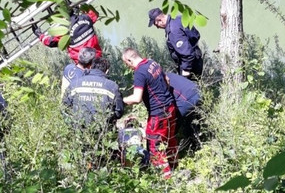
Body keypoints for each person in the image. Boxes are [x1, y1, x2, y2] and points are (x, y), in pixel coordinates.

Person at [122, 48, 178, 179]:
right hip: (171, 107)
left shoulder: (139, 72)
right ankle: (175, 168)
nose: (127, 66)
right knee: (170, 140)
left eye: (126, 63)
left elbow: (137, 98)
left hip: (158, 114)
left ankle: (165, 180)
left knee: (155, 147)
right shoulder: (152, 63)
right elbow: (167, 80)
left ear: (130, 60)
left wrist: (121, 100)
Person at [62, 50, 124, 128]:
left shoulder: (75, 84)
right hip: (102, 131)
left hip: (78, 131)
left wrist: (72, 124)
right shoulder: (112, 86)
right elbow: (119, 111)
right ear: (107, 71)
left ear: (91, 67)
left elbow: (64, 107)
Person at [148, 8, 203, 79]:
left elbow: (187, 54)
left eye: (156, 24)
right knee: (197, 86)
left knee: (189, 88)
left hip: (190, 67)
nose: (157, 27)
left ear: (160, 20)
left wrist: (185, 72)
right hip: (197, 58)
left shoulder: (173, 31)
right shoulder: (178, 18)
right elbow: (196, 35)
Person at [33, 8, 103, 63]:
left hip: (84, 65)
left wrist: (39, 34)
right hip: (97, 58)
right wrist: (80, 7)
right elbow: (94, 14)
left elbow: (50, 42)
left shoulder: (64, 31)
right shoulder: (85, 18)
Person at [166, 72, 201, 151]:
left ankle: (169, 149)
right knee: (190, 120)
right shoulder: (169, 74)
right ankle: (195, 142)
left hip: (187, 99)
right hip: (197, 91)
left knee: (172, 123)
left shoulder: (160, 82)